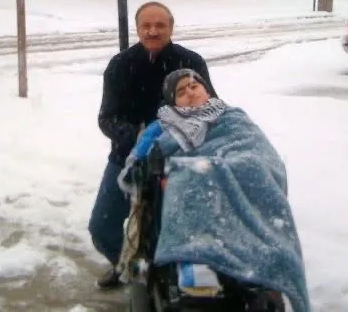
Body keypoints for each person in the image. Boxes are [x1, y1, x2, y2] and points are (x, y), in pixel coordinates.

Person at [117, 68, 311, 312]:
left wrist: (238, 165)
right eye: (181, 91)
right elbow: (137, 160)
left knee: (252, 167)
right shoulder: (164, 126)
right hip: (197, 183)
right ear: (173, 102)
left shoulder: (232, 116)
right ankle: (195, 259)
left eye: (194, 86)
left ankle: (263, 255)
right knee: (192, 174)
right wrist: (145, 164)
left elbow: (259, 150)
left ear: (206, 91)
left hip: (240, 172)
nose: (190, 92)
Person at [89, 2, 216, 289]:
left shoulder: (190, 62)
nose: (153, 31)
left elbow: (211, 107)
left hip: (180, 160)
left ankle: (163, 281)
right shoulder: (120, 65)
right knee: (102, 228)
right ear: (137, 29)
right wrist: (138, 137)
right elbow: (106, 118)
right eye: (146, 25)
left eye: (160, 25)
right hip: (127, 159)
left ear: (171, 27)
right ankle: (126, 265)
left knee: (165, 228)